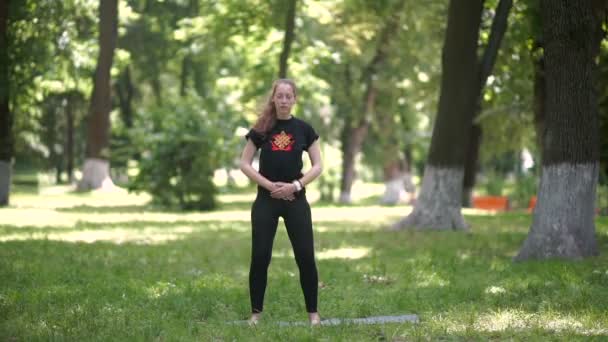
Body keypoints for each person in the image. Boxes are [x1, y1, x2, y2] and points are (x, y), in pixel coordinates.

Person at [239, 79, 323, 326]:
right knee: (261, 256)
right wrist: (270, 186)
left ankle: (313, 314)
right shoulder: (262, 128)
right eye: (280, 96)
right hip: (266, 200)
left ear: (295, 99)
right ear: (273, 98)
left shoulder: (304, 129)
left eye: (289, 96)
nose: (284, 100)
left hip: (296, 199)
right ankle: (255, 314)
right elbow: (244, 163)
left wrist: (295, 186)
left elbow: (318, 166)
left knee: (305, 255)